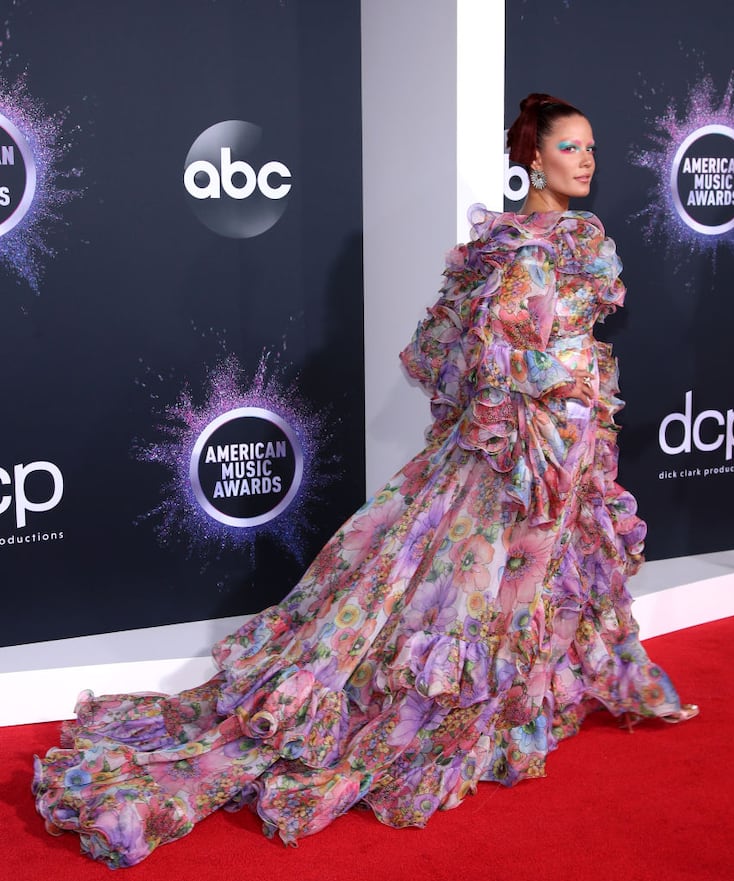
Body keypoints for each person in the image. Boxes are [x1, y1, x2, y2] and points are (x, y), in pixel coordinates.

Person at [33, 93, 697, 868]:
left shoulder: (581, 239)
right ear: (532, 158)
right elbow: (477, 354)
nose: (586, 161)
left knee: (546, 578)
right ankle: (464, 715)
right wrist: (560, 382)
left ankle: (522, 710)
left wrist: (576, 390)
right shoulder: (515, 251)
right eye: (571, 148)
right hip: (526, 445)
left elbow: (486, 344)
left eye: (591, 148)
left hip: (569, 442)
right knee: (482, 584)